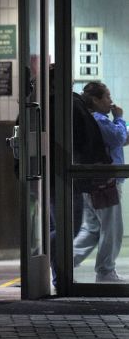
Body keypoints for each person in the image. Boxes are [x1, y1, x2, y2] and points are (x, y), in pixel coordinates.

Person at [73, 81, 126, 283]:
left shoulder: (94, 119)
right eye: (107, 96)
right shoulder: (99, 119)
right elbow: (116, 138)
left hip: (93, 183)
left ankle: (62, 262)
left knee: (92, 229)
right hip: (105, 183)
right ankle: (105, 271)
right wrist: (119, 118)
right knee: (112, 228)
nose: (110, 101)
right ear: (95, 100)